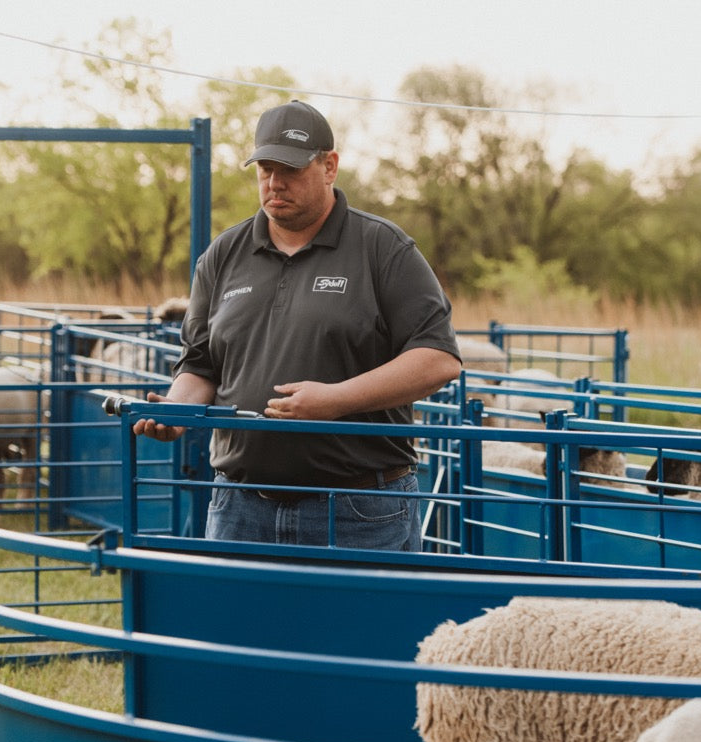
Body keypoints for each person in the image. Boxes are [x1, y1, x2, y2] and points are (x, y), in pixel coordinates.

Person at [133, 99, 461, 551]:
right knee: (238, 625)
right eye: (264, 169)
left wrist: (335, 400)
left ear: (329, 166)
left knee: (361, 626)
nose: (274, 182)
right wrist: (176, 411)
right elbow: (201, 364)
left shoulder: (382, 248)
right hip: (239, 505)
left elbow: (438, 359)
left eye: (289, 169)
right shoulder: (222, 256)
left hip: (359, 509)